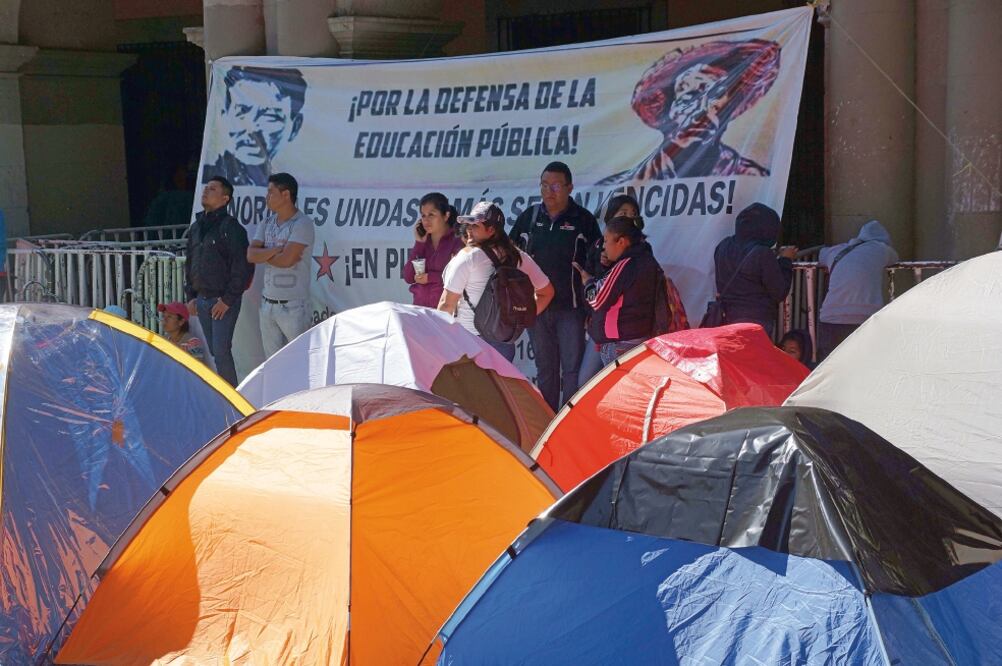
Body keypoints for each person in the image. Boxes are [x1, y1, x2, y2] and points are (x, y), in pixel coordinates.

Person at [599, 39, 780, 184]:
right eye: (689, 97)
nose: (700, 110)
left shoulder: (751, 179)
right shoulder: (622, 187)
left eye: (715, 96)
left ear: (729, 108)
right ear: (668, 112)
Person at [509, 161, 601, 410]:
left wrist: (590, 300)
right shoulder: (530, 217)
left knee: (572, 370)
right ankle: (548, 421)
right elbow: (509, 253)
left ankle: (567, 423)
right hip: (537, 308)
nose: (549, 191)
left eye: (556, 186)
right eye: (544, 185)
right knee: (545, 369)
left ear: (570, 188)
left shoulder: (583, 220)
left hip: (571, 309)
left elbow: (598, 262)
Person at [439, 202, 554, 362]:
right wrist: (519, 319)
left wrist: (438, 343)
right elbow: (547, 293)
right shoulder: (518, 256)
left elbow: (446, 305)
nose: (469, 229)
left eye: (475, 225)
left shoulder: (468, 257)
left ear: (491, 230)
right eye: (469, 224)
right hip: (503, 343)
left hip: (468, 343)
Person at [185, 175, 250, 386]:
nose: (206, 191)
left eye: (212, 189)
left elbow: (242, 267)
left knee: (221, 352)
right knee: (215, 351)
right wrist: (191, 296)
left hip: (222, 301)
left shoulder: (231, 228)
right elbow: (190, 262)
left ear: (225, 198)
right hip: (202, 299)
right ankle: (226, 394)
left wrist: (227, 300)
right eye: (206, 187)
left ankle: (231, 398)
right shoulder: (196, 227)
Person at [201, 66, 307, 187]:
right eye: (241, 112)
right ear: (223, 115)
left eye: (269, 117)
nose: (252, 128)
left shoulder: (301, 186)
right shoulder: (207, 182)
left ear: (295, 127)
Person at [580, 216, 665, 365]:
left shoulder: (626, 265)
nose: (604, 246)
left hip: (621, 343)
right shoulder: (648, 260)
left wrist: (588, 282)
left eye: (606, 240)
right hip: (639, 337)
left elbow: (597, 300)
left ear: (621, 242)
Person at [247, 172, 316, 358]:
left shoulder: (302, 223)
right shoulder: (267, 222)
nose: (267, 197)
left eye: (271, 192)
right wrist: (276, 250)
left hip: (293, 306)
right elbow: (251, 255)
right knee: (272, 363)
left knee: (299, 361)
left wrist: (264, 253)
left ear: (286, 195)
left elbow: (287, 261)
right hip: (267, 303)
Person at [578, 194, 640, 385]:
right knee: (586, 383)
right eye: (623, 213)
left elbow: (603, 295)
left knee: (620, 386)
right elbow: (592, 293)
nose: (628, 218)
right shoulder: (598, 246)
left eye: (633, 214)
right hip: (599, 327)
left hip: (626, 333)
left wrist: (593, 280)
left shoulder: (640, 252)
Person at [711, 202, 796, 338]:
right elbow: (779, 292)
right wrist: (785, 260)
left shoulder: (723, 246)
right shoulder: (762, 253)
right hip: (755, 322)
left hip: (725, 318)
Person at [817, 219, 898, 360]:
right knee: (864, 363)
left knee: (830, 365)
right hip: (865, 318)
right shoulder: (881, 249)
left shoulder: (838, 251)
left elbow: (821, 255)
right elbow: (895, 258)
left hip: (830, 317)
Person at [402, 193, 465, 308]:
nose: (426, 220)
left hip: (446, 312)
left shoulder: (458, 242)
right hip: (420, 311)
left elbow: (460, 278)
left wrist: (430, 278)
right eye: (423, 216)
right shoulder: (423, 242)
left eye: (431, 215)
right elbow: (408, 277)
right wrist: (419, 243)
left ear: (446, 215)